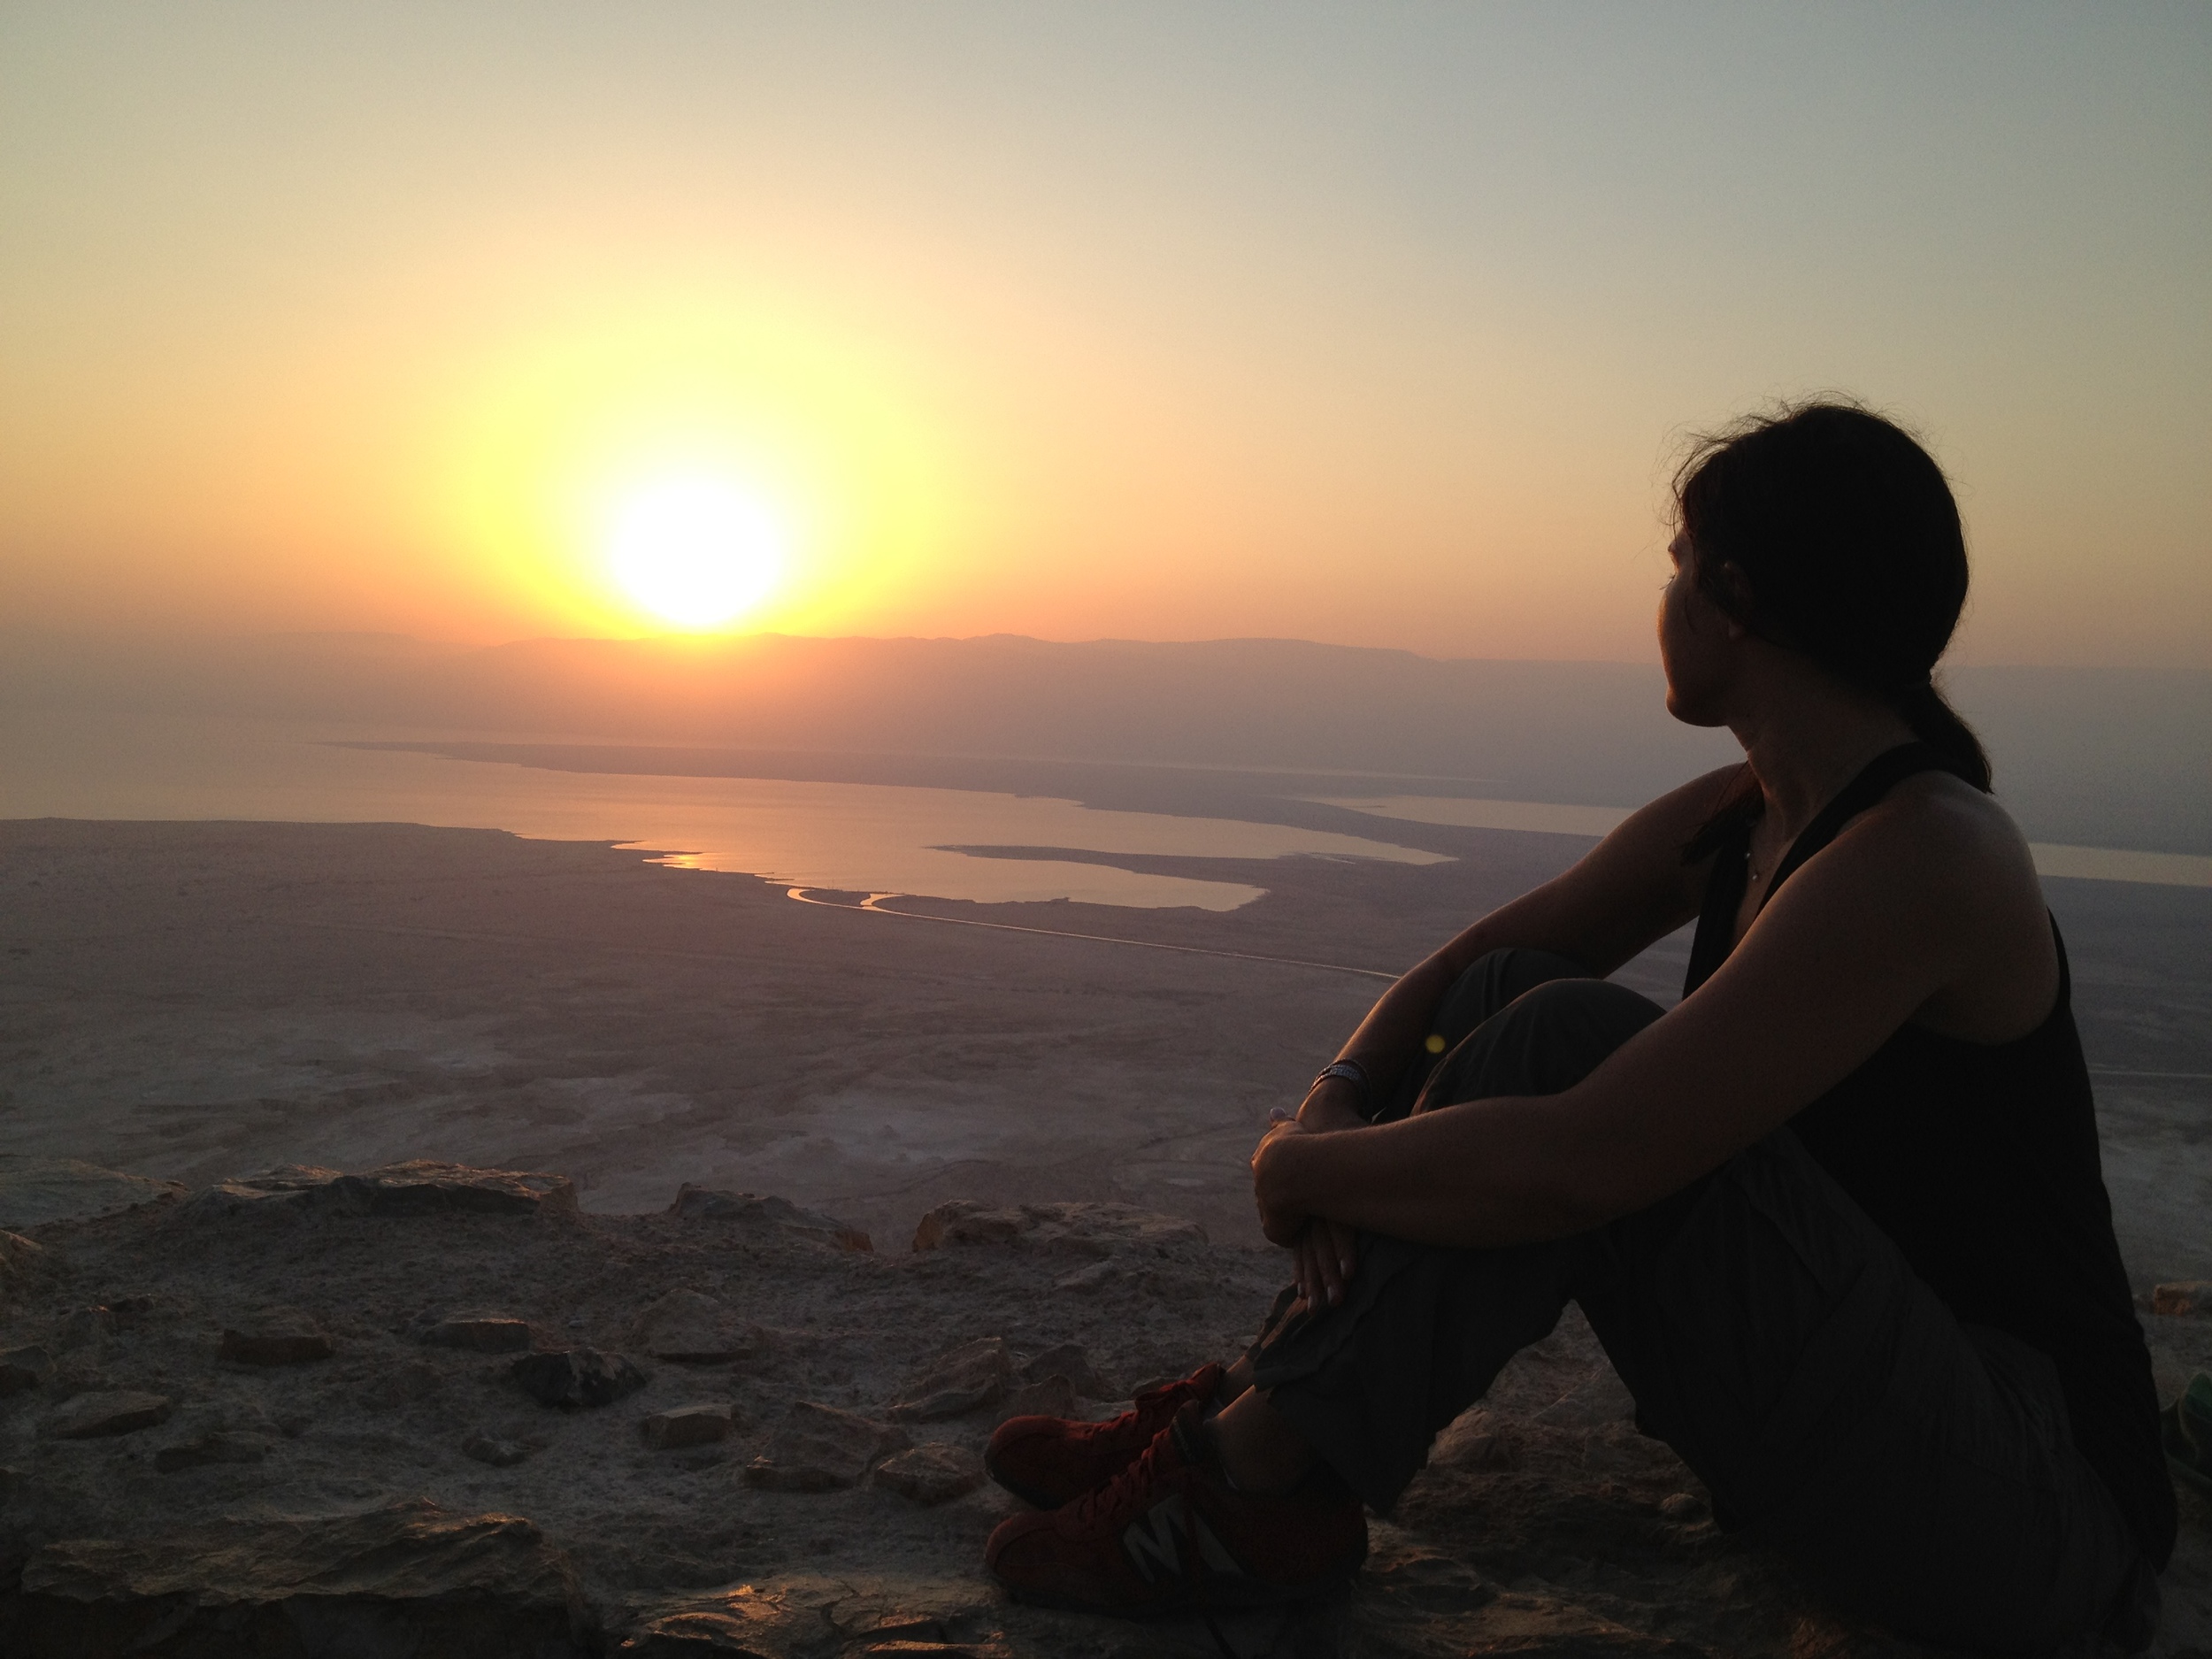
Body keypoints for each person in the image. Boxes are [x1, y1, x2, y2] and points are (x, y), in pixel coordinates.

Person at [979, 403, 2173, 1652]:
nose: (1659, 598)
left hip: (2032, 1522)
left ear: (1735, 597)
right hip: (1878, 1433)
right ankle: (1265, 1430)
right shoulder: (1746, 817)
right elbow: (1474, 963)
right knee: (1509, 1002)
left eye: (1675, 564)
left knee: (1568, 1044)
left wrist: (1303, 1167)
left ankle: (1251, 1486)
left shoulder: (1926, 851)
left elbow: (1587, 1157)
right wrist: (1339, 1089)